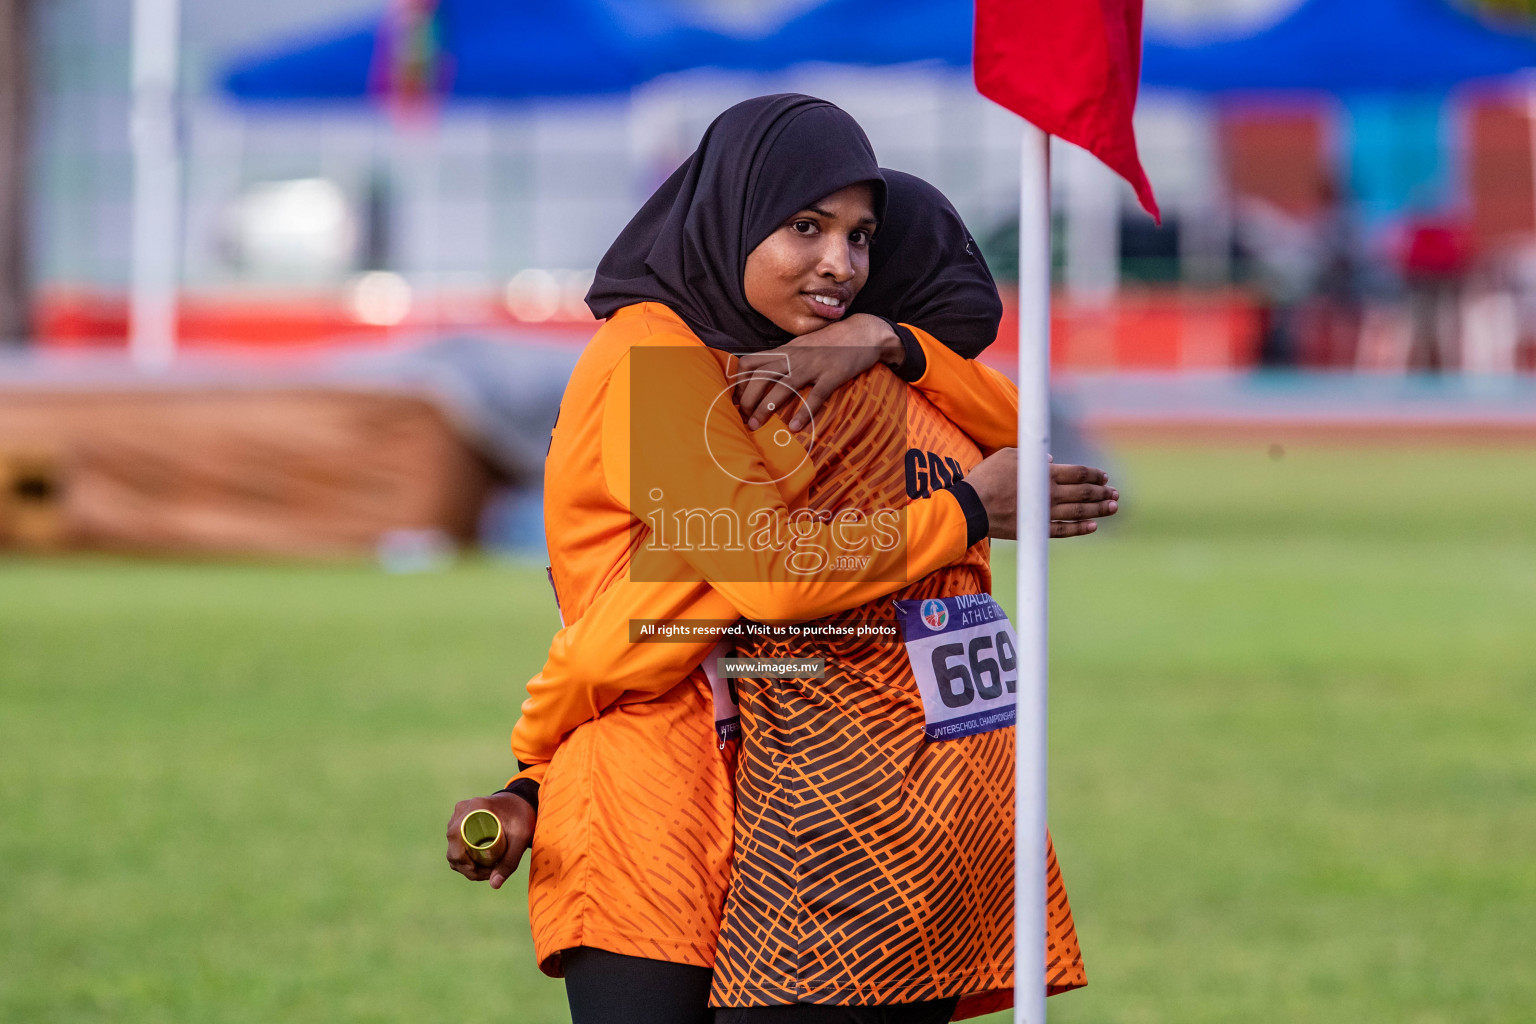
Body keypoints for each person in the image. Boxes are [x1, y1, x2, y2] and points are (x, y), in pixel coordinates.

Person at [444, 96, 1113, 1022]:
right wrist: (960, 508)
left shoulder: (773, 365)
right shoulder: (652, 353)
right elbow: (761, 576)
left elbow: (1024, 441)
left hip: (770, 778)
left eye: (860, 237)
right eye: (806, 226)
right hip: (648, 791)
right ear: (734, 211)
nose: (838, 263)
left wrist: (892, 341)